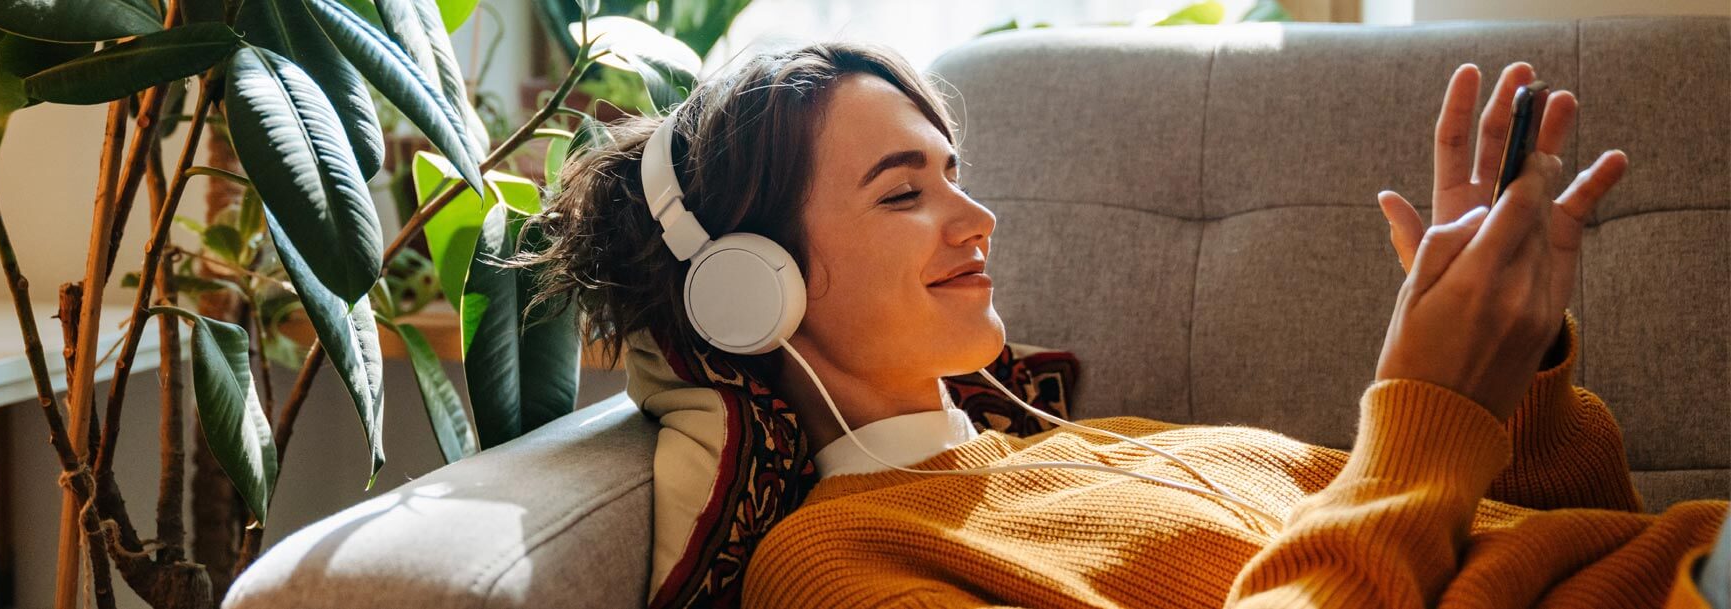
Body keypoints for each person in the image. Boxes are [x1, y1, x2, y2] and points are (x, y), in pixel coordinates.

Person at [517, 41, 1727, 608]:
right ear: (749, 287)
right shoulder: (837, 566)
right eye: (903, 190)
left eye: (954, 171)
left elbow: (1582, 537)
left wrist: (1511, 369)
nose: (977, 214)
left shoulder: (1082, 449)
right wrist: (1428, 408)